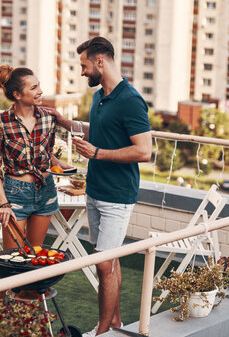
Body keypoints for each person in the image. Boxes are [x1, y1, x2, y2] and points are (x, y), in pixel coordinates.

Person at [45, 37, 152, 336]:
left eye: (84, 65)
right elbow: (101, 130)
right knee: (108, 261)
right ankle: (115, 322)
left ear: (100, 61)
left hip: (117, 196)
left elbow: (144, 151)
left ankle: (102, 331)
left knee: (103, 265)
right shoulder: (99, 97)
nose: (82, 72)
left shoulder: (130, 99)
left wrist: (98, 153)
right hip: (95, 189)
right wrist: (64, 122)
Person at [0, 65, 72, 250]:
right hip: (15, 194)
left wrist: (71, 169)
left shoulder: (48, 119)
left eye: (39, 86)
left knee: (35, 253)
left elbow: (48, 156)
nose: (40, 91)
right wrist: (4, 204)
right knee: (11, 259)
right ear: (17, 94)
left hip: (45, 190)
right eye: (33, 88)